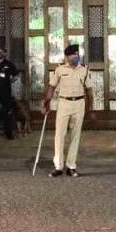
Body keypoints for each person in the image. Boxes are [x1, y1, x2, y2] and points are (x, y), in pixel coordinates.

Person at [41, 44, 96, 177]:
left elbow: (89, 91)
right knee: (59, 135)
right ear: (67, 57)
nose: (76, 57)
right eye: (73, 55)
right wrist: (46, 103)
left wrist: (91, 109)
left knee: (75, 136)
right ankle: (58, 166)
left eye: (77, 54)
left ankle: (71, 166)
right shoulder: (59, 70)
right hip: (64, 103)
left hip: (79, 104)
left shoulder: (84, 70)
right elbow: (51, 87)